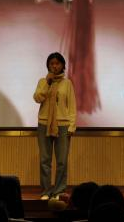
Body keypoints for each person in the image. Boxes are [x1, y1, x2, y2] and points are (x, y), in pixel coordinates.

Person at [33, 52, 77, 200]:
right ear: (48, 65)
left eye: (57, 63)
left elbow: (72, 106)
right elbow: (37, 98)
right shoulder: (42, 81)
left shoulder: (67, 83)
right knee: (45, 160)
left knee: (62, 161)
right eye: (51, 63)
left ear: (63, 65)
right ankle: (46, 191)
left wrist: (72, 126)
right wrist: (47, 82)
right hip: (44, 124)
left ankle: (59, 191)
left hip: (63, 125)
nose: (54, 66)